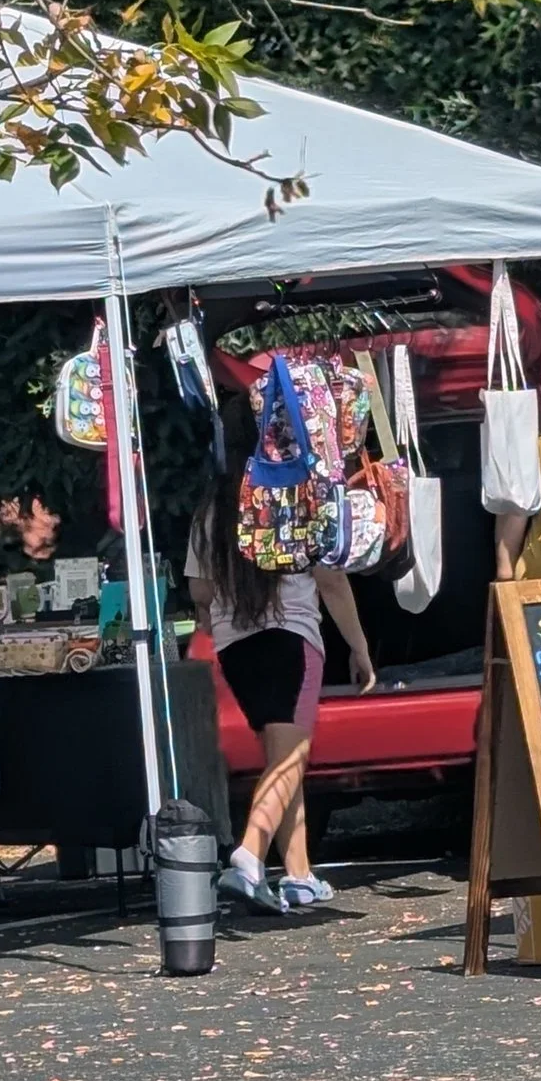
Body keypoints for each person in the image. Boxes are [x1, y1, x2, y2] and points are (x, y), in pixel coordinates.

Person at [186, 385, 375, 916]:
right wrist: (359, 647)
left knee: (280, 759)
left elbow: (200, 591)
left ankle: (299, 875)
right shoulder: (294, 491)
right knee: (291, 758)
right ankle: (249, 856)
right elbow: (331, 581)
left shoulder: (212, 507)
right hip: (292, 639)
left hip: (236, 648)